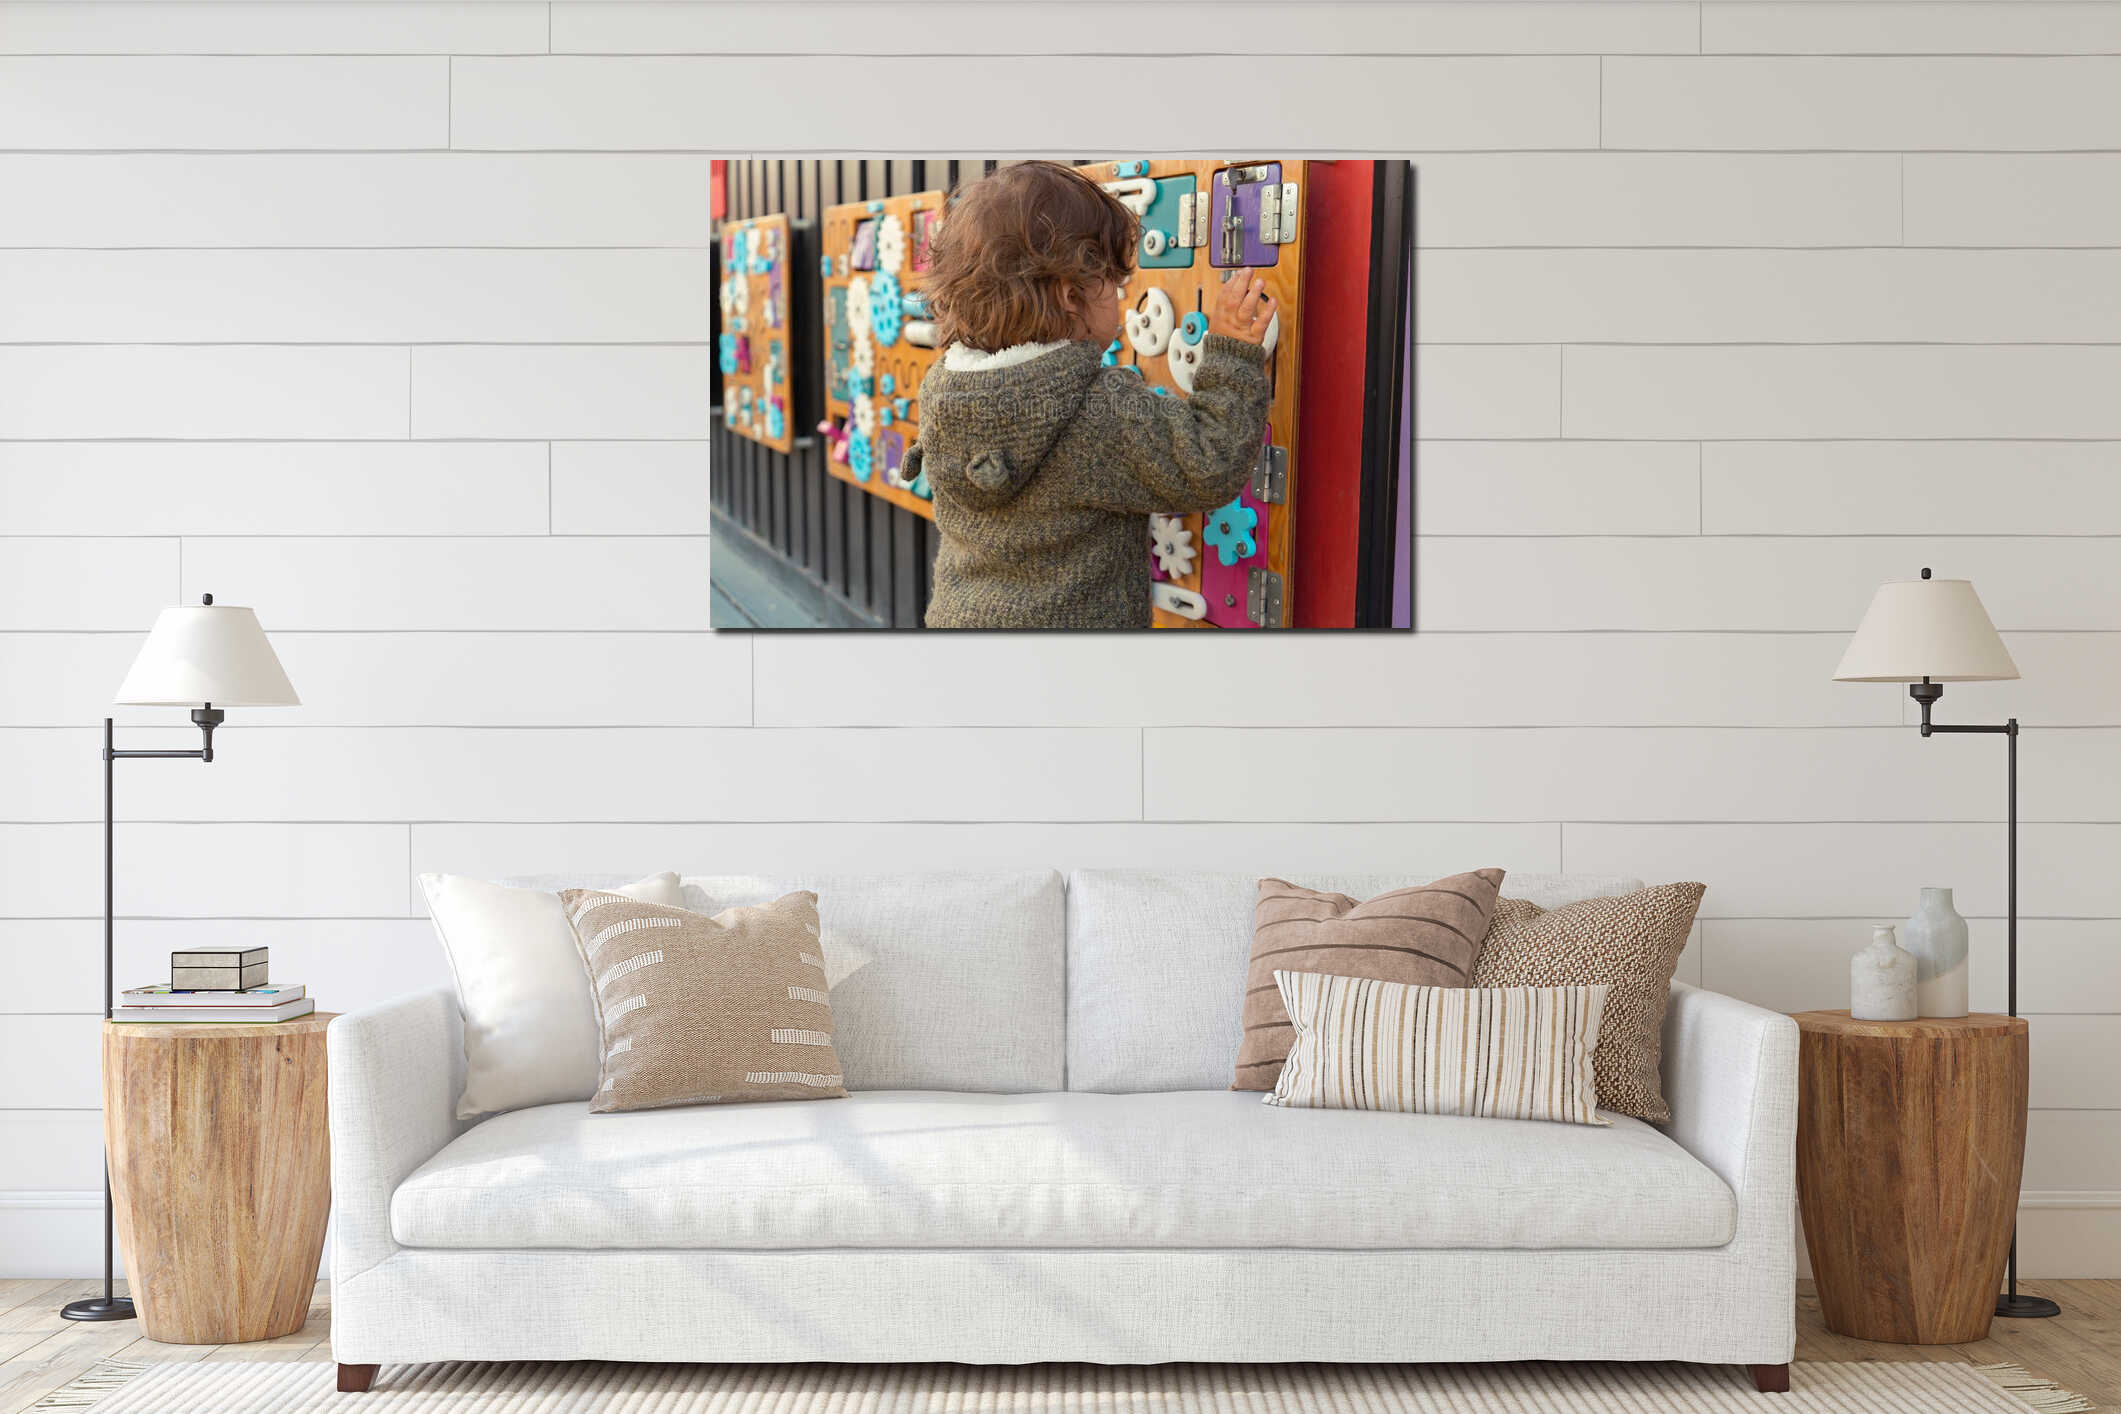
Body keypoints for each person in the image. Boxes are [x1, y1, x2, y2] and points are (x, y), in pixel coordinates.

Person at [908, 162, 1277, 630]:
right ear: (1070, 297)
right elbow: (1209, 463)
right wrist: (1233, 353)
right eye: (1115, 288)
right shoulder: (1096, 408)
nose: (1123, 304)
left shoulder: (945, 391)